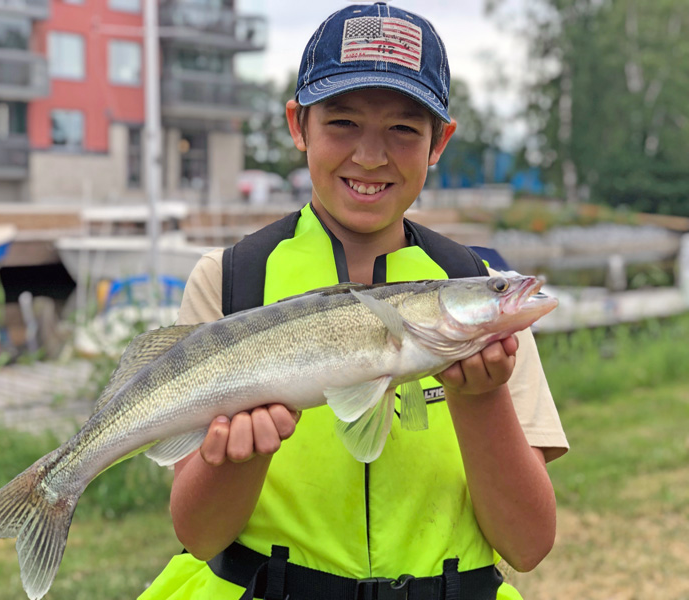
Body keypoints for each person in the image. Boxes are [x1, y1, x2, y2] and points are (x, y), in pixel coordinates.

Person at [139, 3, 568, 599]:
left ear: (439, 141)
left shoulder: (480, 289)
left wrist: (482, 397)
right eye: (341, 123)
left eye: (403, 129)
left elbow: (527, 545)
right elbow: (200, 534)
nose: (370, 155)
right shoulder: (231, 280)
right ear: (298, 126)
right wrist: (237, 456)